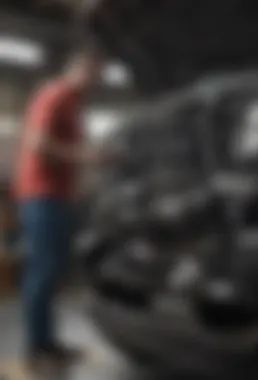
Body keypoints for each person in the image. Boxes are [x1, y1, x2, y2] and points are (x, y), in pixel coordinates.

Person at [13, 46, 112, 371]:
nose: (99, 81)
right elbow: (39, 144)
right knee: (42, 273)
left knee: (51, 271)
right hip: (42, 196)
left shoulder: (74, 103)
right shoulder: (54, 93)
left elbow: (66, 150)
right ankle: (34, 351)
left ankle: (48, 343)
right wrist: (87, 157)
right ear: (81, 66)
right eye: (96, 73)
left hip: (57, 197)